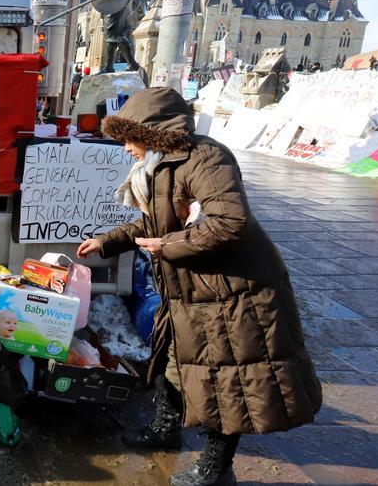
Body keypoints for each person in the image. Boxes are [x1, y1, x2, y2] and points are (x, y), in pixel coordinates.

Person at [77, 87, 321, 486]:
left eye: (128, 138)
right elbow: (158, 223)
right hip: (192, 288)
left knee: (227, 381)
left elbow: (231, 223)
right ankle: (165, 428)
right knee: (170, 362)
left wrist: (167, 246)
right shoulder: (159, 166)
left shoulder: (207, 158)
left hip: (233, 290)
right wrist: (109, 241)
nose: (125, 149)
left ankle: (215, 470)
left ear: (151, 132)